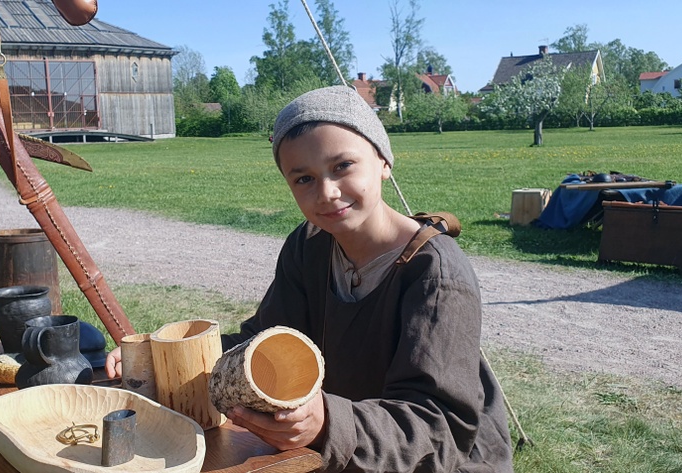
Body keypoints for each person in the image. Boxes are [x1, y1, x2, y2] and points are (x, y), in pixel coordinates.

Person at [106, 85, 513, 472]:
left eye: (343, 166)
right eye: (304, 179)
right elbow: (266, 341)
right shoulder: (311, 244)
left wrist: (326, 424)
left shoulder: (435, 273)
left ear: (384, 162)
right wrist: (166, 359)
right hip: (339, 452)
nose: (327, 192)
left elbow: (440, 428)